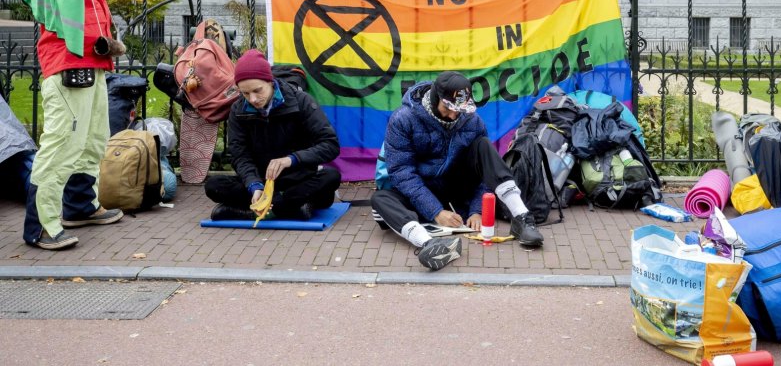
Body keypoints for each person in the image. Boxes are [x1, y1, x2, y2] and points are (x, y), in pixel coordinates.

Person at [22, 0, 127, 251]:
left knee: (93, 140)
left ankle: (80, 207)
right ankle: (41, 227)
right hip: (67, 64)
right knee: (61, 145)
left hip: (90, 66)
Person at [371, 71, 543, 272]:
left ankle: (522, 217)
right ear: (436, 98)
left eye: (459, 109)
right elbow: (401, 172)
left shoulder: (472, 121)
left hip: (456, 189)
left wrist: (477, 210)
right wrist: (435, 211)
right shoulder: (403, 119)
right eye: (448, 108)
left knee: (484, 146)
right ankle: (428, 244)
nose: (454, 115)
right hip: (422, 192)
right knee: (380, 200)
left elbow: (483, 171)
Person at [205, 49, 341, 221]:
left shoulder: (301, 101)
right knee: (213, 186)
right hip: (261, 182)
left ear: (270, 81)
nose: (253, 99)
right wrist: (254, 185)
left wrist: (291, 160)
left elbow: (330, 145)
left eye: (257, 90)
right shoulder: (238, 111)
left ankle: (248, 211)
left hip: (298, 179)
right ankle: (288, 208)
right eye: (245, 93)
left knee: (331, 177)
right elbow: (240, 155)